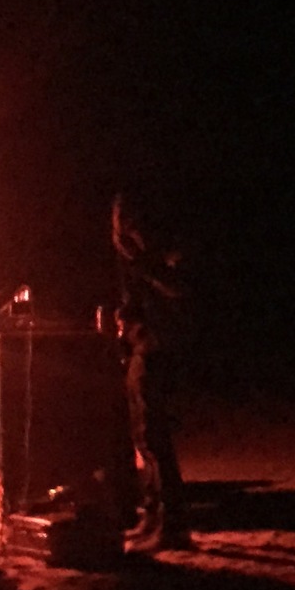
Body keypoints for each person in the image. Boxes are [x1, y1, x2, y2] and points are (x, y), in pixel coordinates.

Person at [112, 191, 191, 551]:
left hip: (161, 345)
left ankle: (173, 522)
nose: (125, 232)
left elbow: (178, 288)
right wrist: (123, 318)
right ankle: (153, 514)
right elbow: (133, 303)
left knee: (156, 436)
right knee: (143, 436)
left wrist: (144, 265)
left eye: (129, 223)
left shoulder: (163, 252)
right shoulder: (130, 260)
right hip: (140, 344)